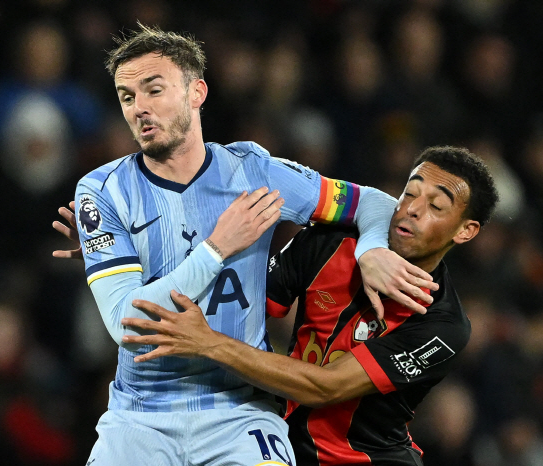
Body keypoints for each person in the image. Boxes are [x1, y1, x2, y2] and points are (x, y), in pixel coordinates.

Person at [52, 23, 438, 465]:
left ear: (196, 92)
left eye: (153, 90)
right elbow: (126, 325)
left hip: (240, 412)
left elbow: (371, 202)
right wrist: (217, 248)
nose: (139, 108)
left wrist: (371, 250)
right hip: (141, 418)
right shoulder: (102, 190)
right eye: (126, 96)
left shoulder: (254, 173)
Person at [122, 146, 499, 465]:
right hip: (280, 444)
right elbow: (238, 301)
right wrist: (124, 253)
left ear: (466, 230)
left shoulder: (443, 325)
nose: (413, 209)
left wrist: (209, 342)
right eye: (410, 193)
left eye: (436, 206)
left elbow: (325, 388)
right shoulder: (329, 241)